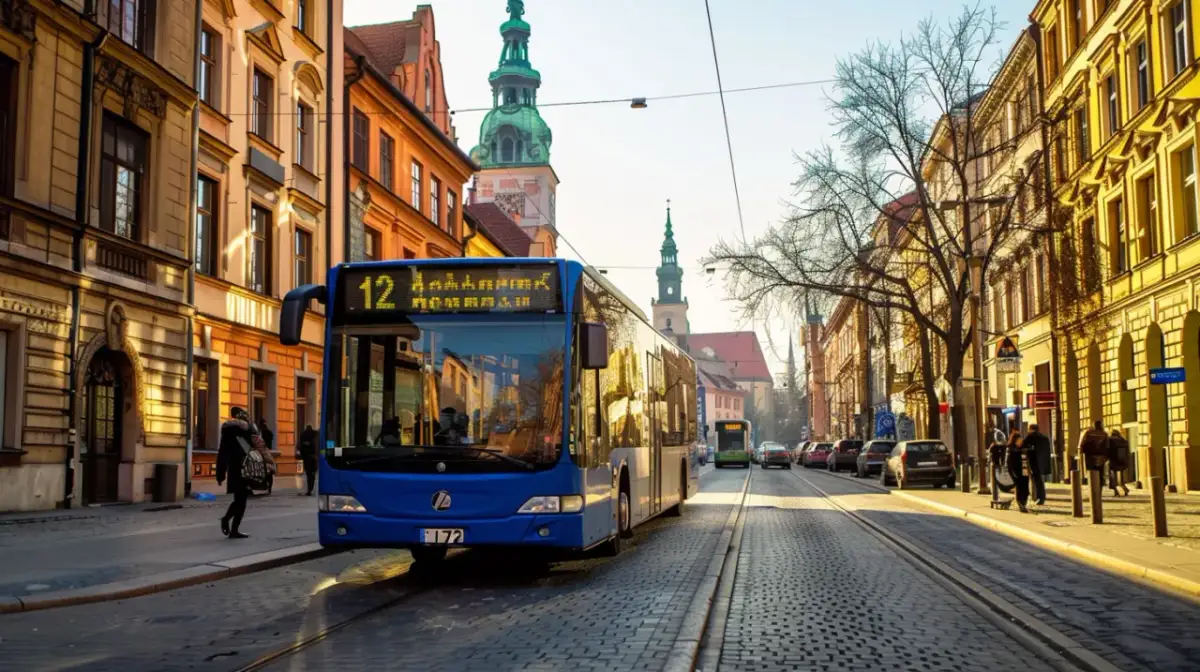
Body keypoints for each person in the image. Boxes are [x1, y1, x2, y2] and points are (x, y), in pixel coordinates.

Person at [217, 407, 257, 538]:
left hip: (234, 469)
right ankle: (230, 525)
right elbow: (254, 447)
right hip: (245, 468)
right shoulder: (246, 430)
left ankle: (231, 525)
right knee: (242, 500)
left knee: (239, 499)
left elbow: (222, 452)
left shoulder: (227, 431)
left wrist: (220, 473)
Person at [1024, 424, 1052, 506]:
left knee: (1036, 481)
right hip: (1042, 463)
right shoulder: (1044, 438)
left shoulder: (1031, 437)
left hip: (1034, 462)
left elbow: (1024, 446)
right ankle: (1041, 497)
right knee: (1040, 481)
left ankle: (1039, 498)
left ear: (1031, 429)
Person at [1078, 420, 1110, 486]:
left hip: (1089, 457)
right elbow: (1107, 446)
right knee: (1100, 474)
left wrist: (1081, 454)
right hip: (1101, 457)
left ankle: (1092, 490)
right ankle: (1099, 491)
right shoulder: (1104, 434)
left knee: (1091, 473)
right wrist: (1106, 457)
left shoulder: (1088, 433)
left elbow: (1081, 444)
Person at [1006, 430, 1030, 513]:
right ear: (1015, 440)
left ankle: (1024, 503)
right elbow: (1009, 463)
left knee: (1025, 488)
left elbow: (1026, 459)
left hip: (1024, 471)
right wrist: (1013, 473)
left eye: (1021, 440)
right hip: (1017, 472)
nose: (1020, 442)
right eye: (1019, 440)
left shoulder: (1022, 449)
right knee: (1020, 489)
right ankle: (1021, 505)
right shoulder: (1011, 450)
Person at [1108, 429, 1131, 497]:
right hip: (1122, 461)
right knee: (1121, 478)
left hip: (1114, 461)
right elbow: (1127, 451)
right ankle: (1125, 489)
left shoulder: (1110, 440)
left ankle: (1116, 491)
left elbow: (1108, 449)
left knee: (1113, 478)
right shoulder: (1123, 440)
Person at [297, 424, 318, 496]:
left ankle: (309, 489)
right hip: (314, 457)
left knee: (308, 474)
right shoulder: (315, 435)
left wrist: (302, 456)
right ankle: (311, 488)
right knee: (313, 474)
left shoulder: (303, 435)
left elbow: (300, 447)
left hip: (307, 458)